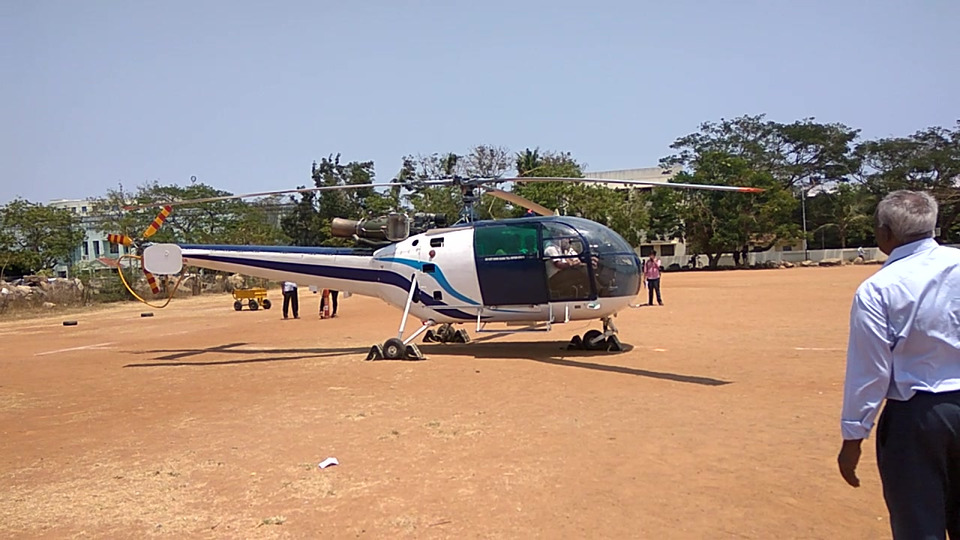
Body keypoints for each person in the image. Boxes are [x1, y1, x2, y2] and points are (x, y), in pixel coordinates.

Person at [837, 190, 960, 539]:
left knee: (919, 526)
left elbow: (870, 371)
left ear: (885, 233)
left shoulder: (878, 288)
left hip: (917, 417)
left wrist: (853, 437)